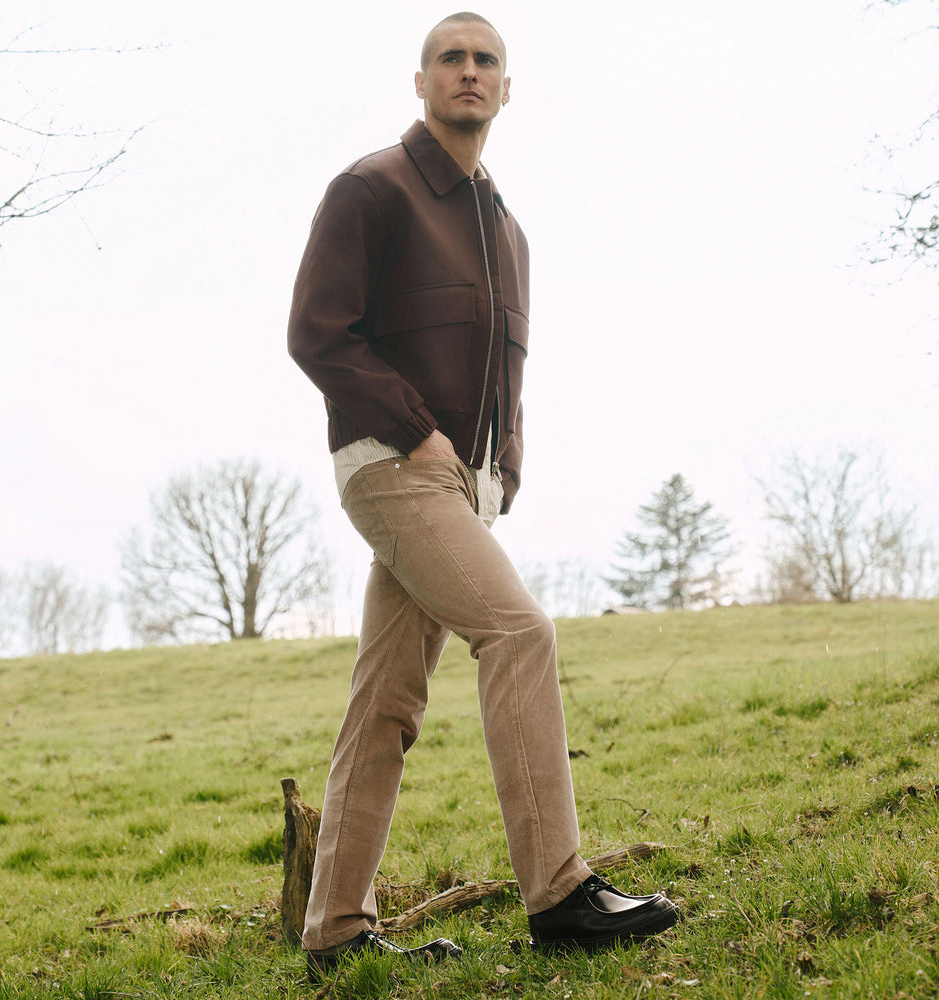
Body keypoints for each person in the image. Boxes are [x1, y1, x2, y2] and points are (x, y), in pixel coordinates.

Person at [287, 11, 679, 976]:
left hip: (464, 486)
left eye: (486, 61)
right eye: (451, 59)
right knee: (520, 632)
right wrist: (419, 433)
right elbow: (317, 334)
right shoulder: (370, 188)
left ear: (508, 89)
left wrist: (505, 464)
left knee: (386, 700)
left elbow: (507, 372)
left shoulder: (509, 232)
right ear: (421, 82)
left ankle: (337, 931)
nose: (469, 72)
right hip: (391, 462)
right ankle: (559, 892)